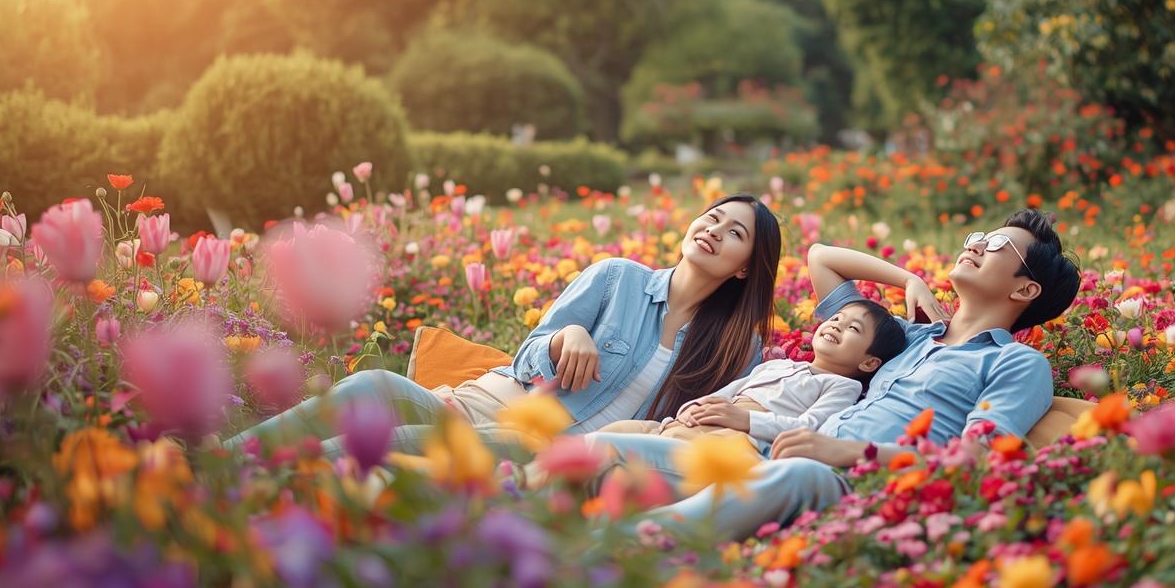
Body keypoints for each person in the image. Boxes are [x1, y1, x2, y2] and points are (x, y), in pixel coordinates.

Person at [588, 209, 1082, 540]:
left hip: (856, 484)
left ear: (1025, 292)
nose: (976, 244)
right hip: (777, 458)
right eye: (978, 236)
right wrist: (908, 278)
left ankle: (616, 552)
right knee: (602, 451)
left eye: (997, 245)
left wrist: (848, 452)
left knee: (795, 474)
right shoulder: (908, 338)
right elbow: (822, 259)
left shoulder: (1015, 363)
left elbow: (976, 458)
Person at [225, 194, 782, 462]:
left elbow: (707, 433)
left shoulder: (737, 350)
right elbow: (529, 355)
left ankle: (265, 478)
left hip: (548, 453)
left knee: (394, 445)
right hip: (486, 406)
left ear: (743, 268)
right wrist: (565, 337)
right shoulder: (617, 280)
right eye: (711, 216)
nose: (713, 229)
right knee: (376, 387)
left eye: (734, 233)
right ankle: (222, 461)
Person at [595, 299, 908, 452]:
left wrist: (745, 421)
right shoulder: (777, 365)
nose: (837, 324)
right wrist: (693, 409)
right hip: (700, 423)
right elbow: (729, 392)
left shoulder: (842, 386)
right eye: (837, 317)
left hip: (738, 438)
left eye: (853, 328)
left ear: (869, 363)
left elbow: (809, 427)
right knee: (618, 431)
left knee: (627, 451)